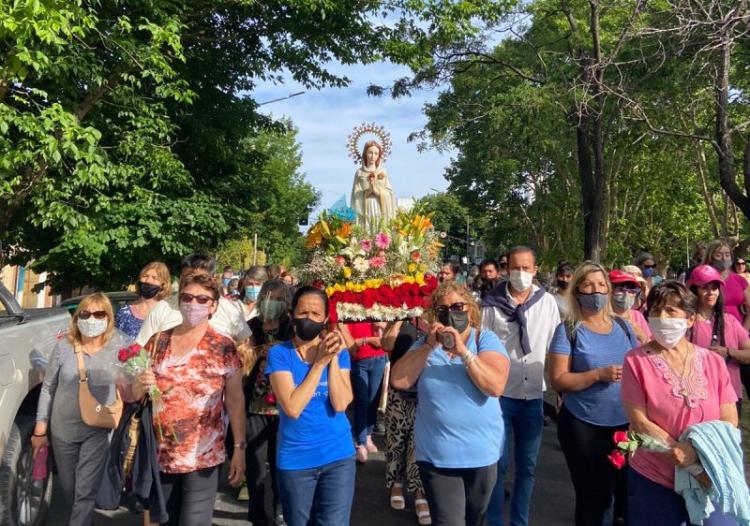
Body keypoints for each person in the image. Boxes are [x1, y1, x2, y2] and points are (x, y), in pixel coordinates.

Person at [132, 272, 246, 526]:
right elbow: (134, 391)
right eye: (187, 297)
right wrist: (139, 386)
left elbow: (235, 400)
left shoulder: (223, 346)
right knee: (165, 521)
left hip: (202, 455)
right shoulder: (158, 340)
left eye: (202, 299)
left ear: (213, 306)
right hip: (162, 453)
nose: (194, 304)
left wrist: (239, 448)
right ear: (179, 300)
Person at [391, 282, 509, 526]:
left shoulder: (485, 339)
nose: (450, 312)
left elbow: (495, 385)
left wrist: (463, 351)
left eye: (457, 306)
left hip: (482, 453)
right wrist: (428, 346)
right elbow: (399, 380)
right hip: (437, 456)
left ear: (470, 309)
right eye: (442, 308)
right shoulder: (425, 345)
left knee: (476, 519)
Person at [622, 281, 740, 525]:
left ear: (690, 319)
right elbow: (639, 421)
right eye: (656, 311)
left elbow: (729, 417)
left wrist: (696, 453)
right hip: (655, 475)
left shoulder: (712, 361)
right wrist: (679, 454)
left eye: (671, 311)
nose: (662, 318)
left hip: (710, 472)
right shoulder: (635, 361)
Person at [548, 262, 638, 526]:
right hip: (582, 426)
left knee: (624, 495)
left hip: (623, 426)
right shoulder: (568, 330)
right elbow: (558, 380)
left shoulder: (623, 327)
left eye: (601, 285)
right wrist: (597, 375)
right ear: (577, 292)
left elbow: (639, 368)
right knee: (592, 498)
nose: (596, 291)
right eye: (588, 285)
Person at [482, 246, 561, 526]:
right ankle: (494, 521)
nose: (521, 274)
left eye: (526, 268)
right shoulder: (491, 304)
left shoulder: (547, 303)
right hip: (501, 395)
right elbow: (483, 347)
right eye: (515, 268)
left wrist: (559, 389)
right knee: (498, 465)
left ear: (535, 270)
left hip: (533, 397)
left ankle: (520, 521)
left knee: (526, 468)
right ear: (506, 269)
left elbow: (556, 348)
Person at [265, 286, 355, 526]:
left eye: (316, 314)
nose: (309, 319)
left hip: (338, 456)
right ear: (292, 315)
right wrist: (318, 364)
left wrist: (332, 358)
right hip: (296, 460)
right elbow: (292, 408)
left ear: (325, 319)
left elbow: (341, 403)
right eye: (303, 312)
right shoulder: (279, 354)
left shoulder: (339, 354)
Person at [32, 293, 124, 525]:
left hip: (98, 430)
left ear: (108, 318)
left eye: (98, 314)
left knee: (85, 492)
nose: (91, 319)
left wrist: (145, 381)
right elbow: (48, 388)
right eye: (85, 314)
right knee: (70, 489)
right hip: (63, 430)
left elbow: (133, 384)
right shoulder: (64, 347)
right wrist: (40, 431)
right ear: (77, 318)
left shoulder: (119, 349)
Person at [243, 280, 294, 526]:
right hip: (255, 404)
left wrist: (280, 350)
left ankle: (281, 509)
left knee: (280, 463)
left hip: (284, 404)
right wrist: (255, 351)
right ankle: (256, 514)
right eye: (268, 297)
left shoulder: (292, 327)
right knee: (255, 465)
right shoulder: (252, 326)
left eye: (278, 298)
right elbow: (241, 362)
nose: (272, 302)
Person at [135, 254, 252, 346]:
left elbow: (246, 345)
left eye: (199, 279)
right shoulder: (162, 308)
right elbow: (140, 349)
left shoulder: (227, 309)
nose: (192, 283)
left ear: (211, 279)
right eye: (187, 277)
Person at [382, 319, 431, 525]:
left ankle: (420, 494)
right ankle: (396, 483)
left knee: (418, 444)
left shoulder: (433, 319)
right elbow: (387, 345)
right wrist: (399, 320)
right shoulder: (399, 318)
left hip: (425, 390)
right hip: (399, 391)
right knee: (396, 440)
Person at [687, 265, 750, 414]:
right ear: (694, 291)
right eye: (704, 288)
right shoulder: (686, 323)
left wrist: (729, 352)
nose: (710, 293)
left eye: (714, 288)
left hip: (731, 395)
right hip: (698, 395)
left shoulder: (730, 321)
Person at [338, 320, 386, 463]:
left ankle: (368, 435)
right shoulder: (350, 314)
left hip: (379, 358)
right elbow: (348, 343)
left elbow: (384, 337)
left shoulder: (374, 310)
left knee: (373, 400)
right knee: (362, 401)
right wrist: (368, 340)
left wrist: (382, 326)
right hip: (358, 360)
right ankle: (361, 443)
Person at [116, 261, 171, 340]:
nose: (148, 280)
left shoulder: (166, 314)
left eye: (155, 278)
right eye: (145, 276)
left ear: (163, 284)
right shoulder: (125, 311)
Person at [350, 139, 396, 229]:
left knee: (379, 230)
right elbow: (355, 195)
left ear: (379, 156)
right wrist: (369, 191)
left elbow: (389, 193)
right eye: (370, 152)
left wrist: (376, 190)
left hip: (379, 206)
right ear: (365, 154)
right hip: (364, 208)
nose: (372, 156)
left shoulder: (382, 172)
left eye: (376, 153)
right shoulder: (359, 173)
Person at [609, 269, 651, 344]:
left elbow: (649, 347)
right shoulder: (602, 318)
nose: (626, 294)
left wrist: (641, 335)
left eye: (631, 290)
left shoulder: (637, 316)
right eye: (621, 289)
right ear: (610, 291)